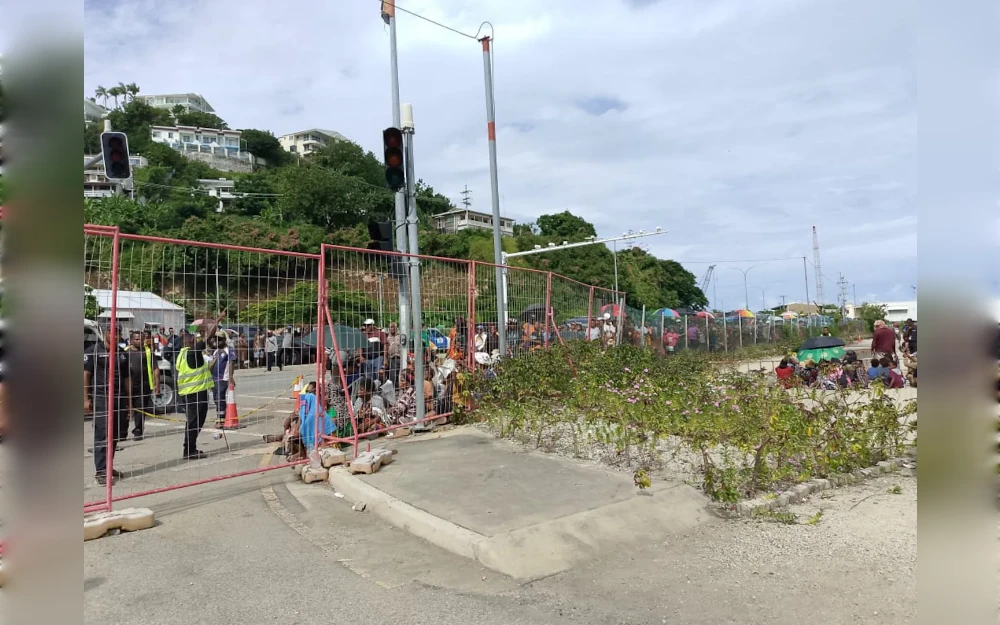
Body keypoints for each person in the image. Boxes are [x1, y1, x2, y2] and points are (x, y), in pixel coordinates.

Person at [86, 331, 132, 484]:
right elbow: (86, 374)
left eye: (118, 334)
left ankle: (108, 465)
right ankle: (100, 471)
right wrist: (85, 398)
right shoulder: (94, 351)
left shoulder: (122, 354)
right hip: (101, 398)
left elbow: (127, 379)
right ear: (105, 333)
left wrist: (130, 402)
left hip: (119, 398)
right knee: (102, 434)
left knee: (115, 433)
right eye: (112, 333)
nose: (115, 336)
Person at [176, 317, 221, 460]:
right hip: (195, 393)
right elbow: (208, 337)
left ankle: (190, 448)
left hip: (189, 393)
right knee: (195, 422)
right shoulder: (192, 353)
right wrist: (217, 320)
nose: (197, 339)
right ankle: (189, 450)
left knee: (193, 422)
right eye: (194, 338)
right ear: (190, 341)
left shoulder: (182, 354)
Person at [125, 330, 159, 441]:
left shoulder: (148, 352)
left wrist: (156, 384)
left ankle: (138, 430)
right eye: (136, 339)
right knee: (124, 408)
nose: (139, 341)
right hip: (127, 385)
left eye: (141, 339)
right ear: (131, 340)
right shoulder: (125, 352)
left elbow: (155, 368)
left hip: (143, 385)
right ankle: (121, 431)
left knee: (140, 408)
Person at [298, 381, 335, 454]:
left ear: (315, 391)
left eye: (309, 392)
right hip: (316, 431)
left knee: (302, 428)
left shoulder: (322, 401)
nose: (307, 394)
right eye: (306, 392)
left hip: (326, 441)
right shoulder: (310, 402)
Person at [210, 332, 236, 428]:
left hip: (223, 378)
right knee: (216, 398)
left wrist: (230, 377)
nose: (217, 341)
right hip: (214, 378)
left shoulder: (229, 350)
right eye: (216, 339)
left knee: (220, 398)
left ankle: (221, 420)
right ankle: (220, 416)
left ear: (224, 340)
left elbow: (231, 364)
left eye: (219, 339)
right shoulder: (215, 351)